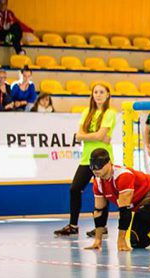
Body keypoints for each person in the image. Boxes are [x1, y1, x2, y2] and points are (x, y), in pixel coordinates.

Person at [54, 83, 116, 236]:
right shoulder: (86, 112)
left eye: (102, 92)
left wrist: (90, 136)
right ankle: (73, 225)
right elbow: (82, 135)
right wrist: (97, 136)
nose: (98, 95)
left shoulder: (110, 113)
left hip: (103, 159)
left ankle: (101, 227)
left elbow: (98, 136)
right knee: (75, 189)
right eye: (95, 92)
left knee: (103, 192)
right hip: (86, 158)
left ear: (108, 95)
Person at [84, 149, 150, 251]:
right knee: (136, 241)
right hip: (139, 206)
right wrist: (97, 241)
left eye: (99, 165)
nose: (95, 169)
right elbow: (99, 212)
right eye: (92, 166)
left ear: (109, 163)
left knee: (146, 207)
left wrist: (121, 240)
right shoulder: (98, 183)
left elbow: (125, 210)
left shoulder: (123, 175)